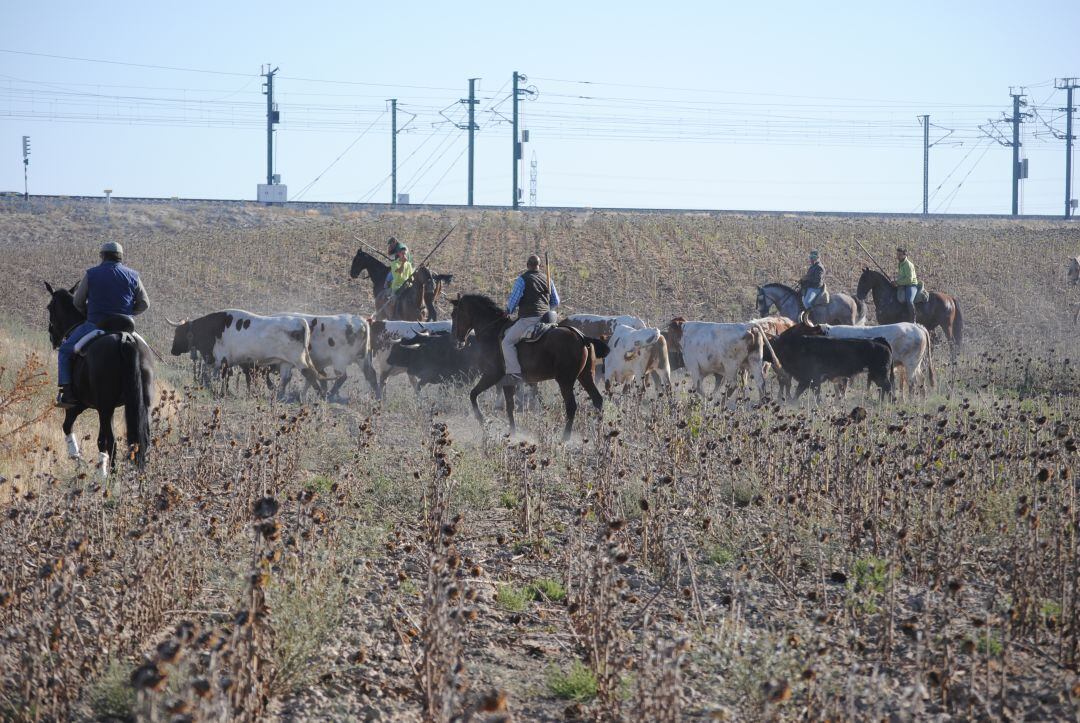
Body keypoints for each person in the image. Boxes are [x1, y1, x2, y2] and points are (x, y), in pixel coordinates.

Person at [56, 241, 150, 408]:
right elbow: (144, 303)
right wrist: (129, 313)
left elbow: (78, 301)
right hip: (126, 326)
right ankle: (147, 392)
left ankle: (68, 393)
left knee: (64, 351)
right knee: (146, 354)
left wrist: (87, 312)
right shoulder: (133, 275)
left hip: (96, 325)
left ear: (102, 256)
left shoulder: (91, 274)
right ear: (121, 257)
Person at [501, 254, 560, 387]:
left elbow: (514, 299)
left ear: (527, 265)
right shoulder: (548, 279)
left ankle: (515, 372)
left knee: (507, 343)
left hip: (529, 319)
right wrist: (546, 308)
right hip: (548, 319)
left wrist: (508, 311)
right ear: (539, 266)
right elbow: (556, 301)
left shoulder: (523, 279)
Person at [895, 247, 919, 322]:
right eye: (897, 254)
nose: (898, 256)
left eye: (900, 255)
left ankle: (913, 319)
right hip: (903, 284)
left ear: (905, 255)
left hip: (911, 285)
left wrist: (898, 282)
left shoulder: (908, 265)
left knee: (909, 300)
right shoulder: (900, 264)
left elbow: (909, 279)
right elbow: (902, 276)